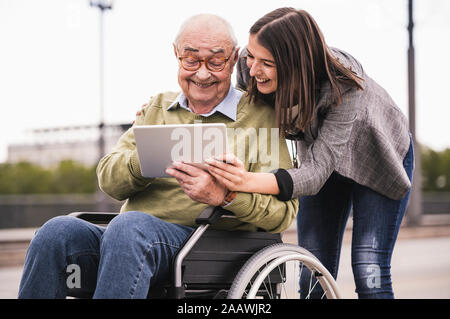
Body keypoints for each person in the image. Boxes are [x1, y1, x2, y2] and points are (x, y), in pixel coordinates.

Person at [17, 14, 298, 299]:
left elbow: (283, 215)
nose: (202, 74)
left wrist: (224, 195)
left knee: (129, 228)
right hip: (126, 241)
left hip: (203, 247)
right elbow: (109, 179)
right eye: (190, 60)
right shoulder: (156, 108)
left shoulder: (260, 117)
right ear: (176, 55)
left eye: (216, 61)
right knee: (55, 233)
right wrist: (147, 160)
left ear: (234, 58)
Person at [205, 7, 414, 299]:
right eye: (251, 56)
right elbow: (222, 106)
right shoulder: (249, 64)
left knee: (370, 271)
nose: (252, 70)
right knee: (311, 273)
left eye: (267, 62)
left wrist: (245, 181)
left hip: (376, 159)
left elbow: (313, 176)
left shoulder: (344, 86)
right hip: (320, 159)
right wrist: (158, 111)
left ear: (295, 64)